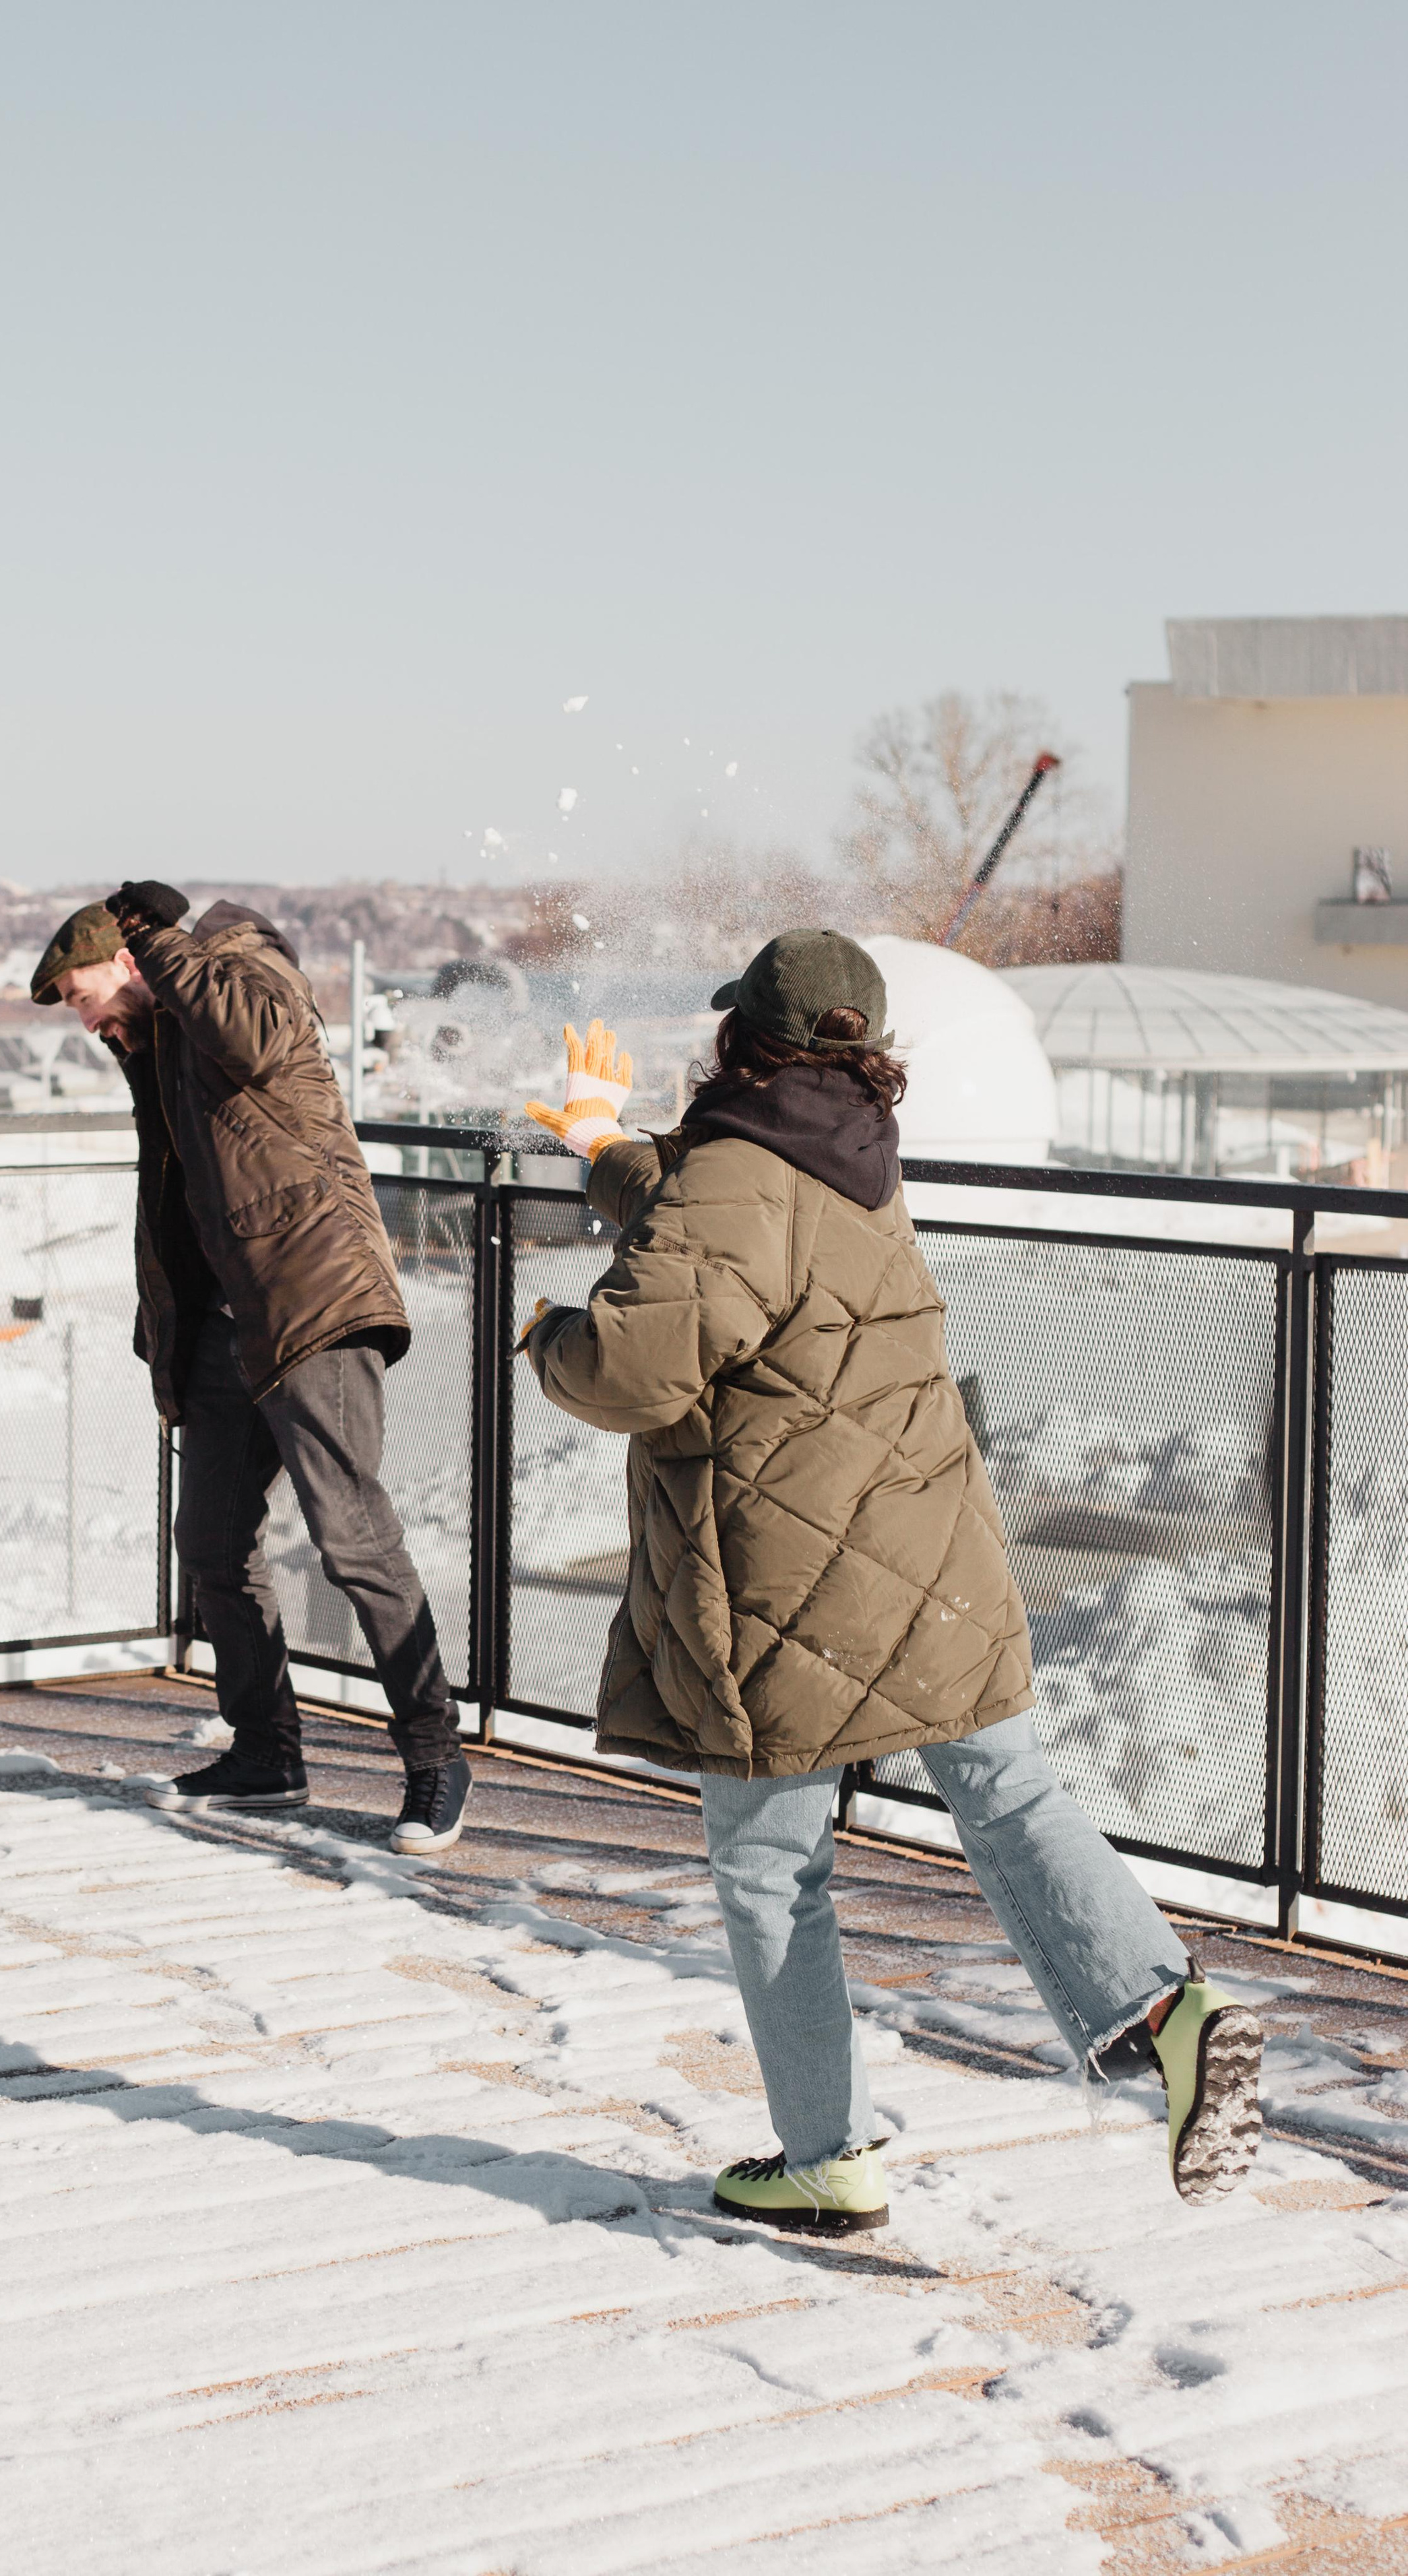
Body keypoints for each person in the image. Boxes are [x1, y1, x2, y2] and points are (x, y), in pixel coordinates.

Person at [520, 934, 1262, 2233]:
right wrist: (604, 1147)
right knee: (1009, 1788)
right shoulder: (849, 1150)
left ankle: (824, 2154)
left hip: (786, 1578)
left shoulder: (741, 1167)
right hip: (927, 1544)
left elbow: (639, 1363)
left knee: (770, 1868)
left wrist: (548, 1336)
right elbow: (724, 1233)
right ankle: (1165, 2002)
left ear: (743, 1042)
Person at [30, 881, 471, 1855]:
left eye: (81, 992)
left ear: (127, 956)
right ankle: (267, 1754)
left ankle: (437, 1756)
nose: (82, 1018)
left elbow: (264, 1039)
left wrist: (164, 949)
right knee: (216, 1542)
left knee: (351, 1536)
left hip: (312, 1297)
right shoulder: (163, 1042)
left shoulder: (238, 962)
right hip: (230, 1324)